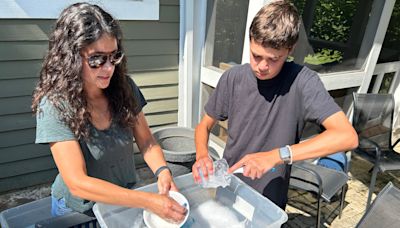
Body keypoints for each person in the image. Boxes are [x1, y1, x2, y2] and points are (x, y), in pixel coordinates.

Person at [192, 1, 358, 209]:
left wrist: (277, 156)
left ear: (290, 49)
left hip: (269, 195)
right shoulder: (233, 78)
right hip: (230, 185)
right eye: (256, 55)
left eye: (273, 59)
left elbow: (347, 137)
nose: (262, 67)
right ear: (250, 40)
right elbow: (204, 126)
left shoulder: (304, 82)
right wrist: (202, 155)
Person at [31, 2, 186, 222]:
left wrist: (163, 171)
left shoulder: (124, 87)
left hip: (124, 198)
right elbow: (77, 183)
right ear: (70, 57)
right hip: (79, 210)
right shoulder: (54, 104)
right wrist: (148, 201)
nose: (109, 68)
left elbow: (147, 141)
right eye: (96, 59)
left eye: (114, 56)